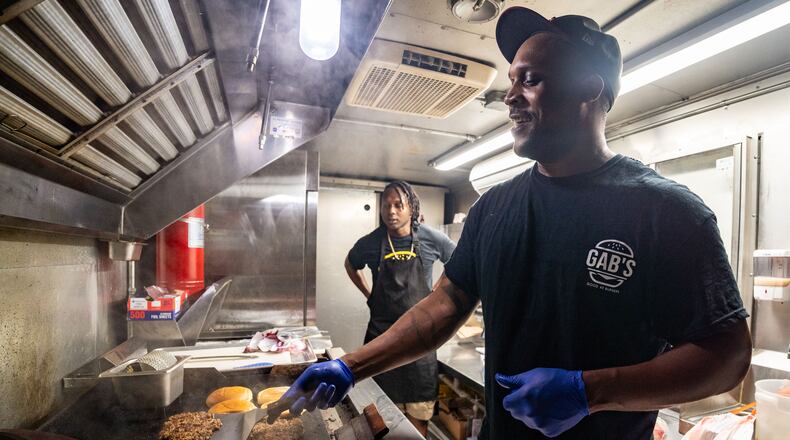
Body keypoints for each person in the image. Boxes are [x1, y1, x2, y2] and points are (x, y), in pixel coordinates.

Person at [268, 7, 752, 439]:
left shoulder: (665, 211)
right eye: (512, 80)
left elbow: (726, 355)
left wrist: (591, 391)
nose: (510, 96)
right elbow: (443, 307)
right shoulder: (494, 207)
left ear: (589, 88)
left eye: (531, 79)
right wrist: (350, 366)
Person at [343, 181, 456, 436]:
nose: (391, 211)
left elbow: (458, 260)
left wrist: (438, 291)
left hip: (421, 344)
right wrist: (368, 294)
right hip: (381, 342)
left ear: (411, 208)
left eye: (398, 205)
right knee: (380, 423)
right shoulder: (372, 242)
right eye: (386, 206)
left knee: (417, 426)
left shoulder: (430, 238)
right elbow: (351, 264)